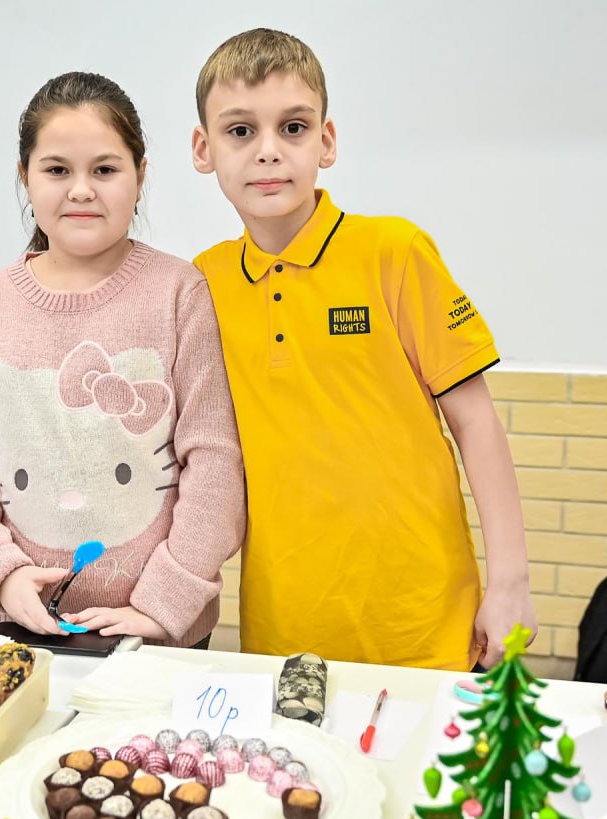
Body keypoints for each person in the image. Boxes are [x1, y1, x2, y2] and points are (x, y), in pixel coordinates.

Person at [191, 29, 536, 669]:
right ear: (203, 148)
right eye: (240, 131)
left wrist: (510, 581)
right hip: (283, 622)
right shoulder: (201, 283)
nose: (268, 151)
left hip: (423, 616)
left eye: (292, 128)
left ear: (325, 141)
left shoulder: (395, 254)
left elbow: (476, 421)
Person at [0, 71, 244, 647]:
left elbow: (216, 462)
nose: (80, 190)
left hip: (159, 635)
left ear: (140, 176)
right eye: (56, 170)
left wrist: (163, 605)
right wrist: (3, 574)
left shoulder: (181, 292)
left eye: (104, 169)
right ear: (23, 177)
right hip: (21, 624)